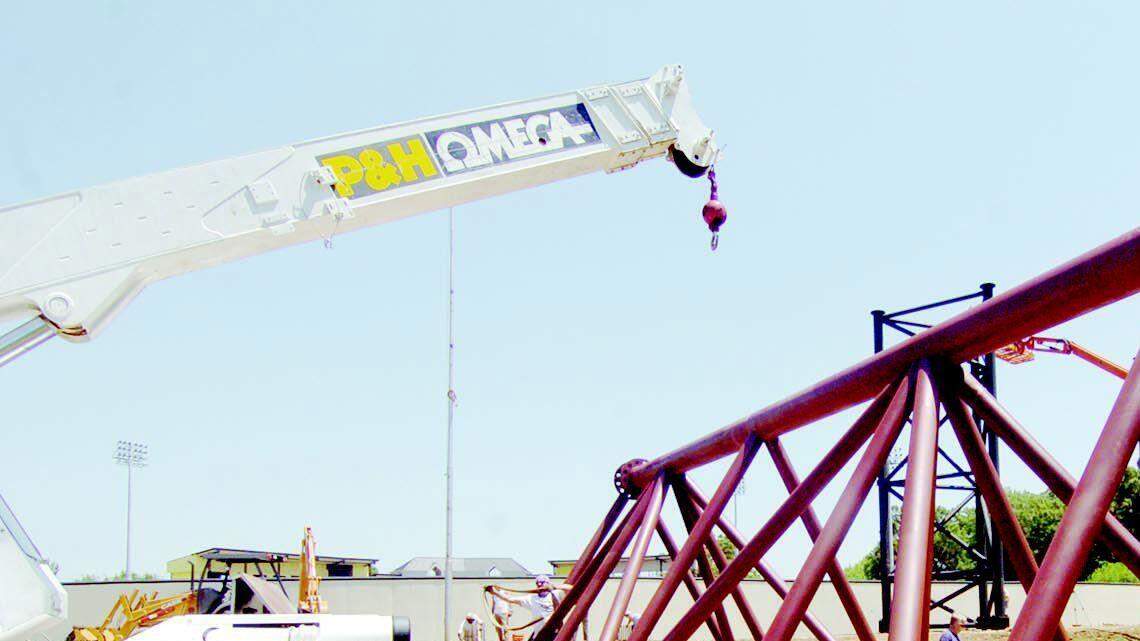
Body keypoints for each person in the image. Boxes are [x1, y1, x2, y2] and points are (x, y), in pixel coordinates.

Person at [490, 576, 572, 640]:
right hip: (539, 634)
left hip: (554, 632)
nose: (539, 585)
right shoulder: (531, 598)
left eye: (542, 582)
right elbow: (510, 599)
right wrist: (493, 592)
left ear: (547, 583)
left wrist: (554, 586)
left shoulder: (556, 594)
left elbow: (572, 588)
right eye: (537, 583)